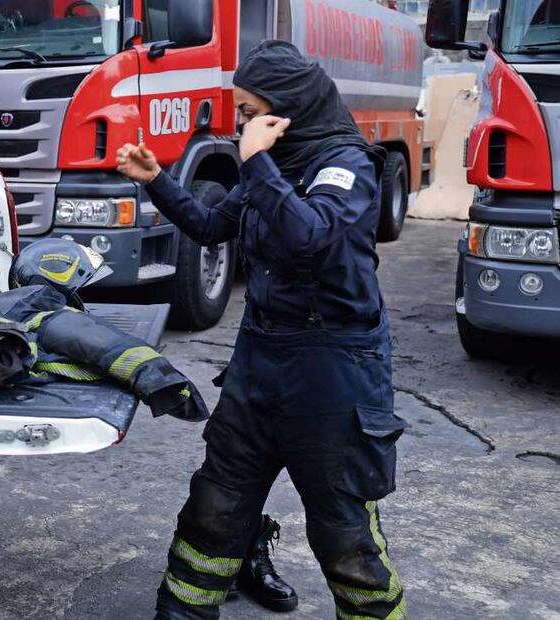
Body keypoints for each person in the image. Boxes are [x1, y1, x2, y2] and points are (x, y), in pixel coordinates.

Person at [116, 41, 407, 620]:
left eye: (249, 112)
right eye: (240, 113)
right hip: (259, 364)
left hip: (333, 373)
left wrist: (255, 160)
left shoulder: (344, 165)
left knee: (343, 532)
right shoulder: (270, 167)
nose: (241, 124)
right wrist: (157, 181)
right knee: (215, 507)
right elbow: (208, 224)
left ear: (288, 107)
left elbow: (312, 237)